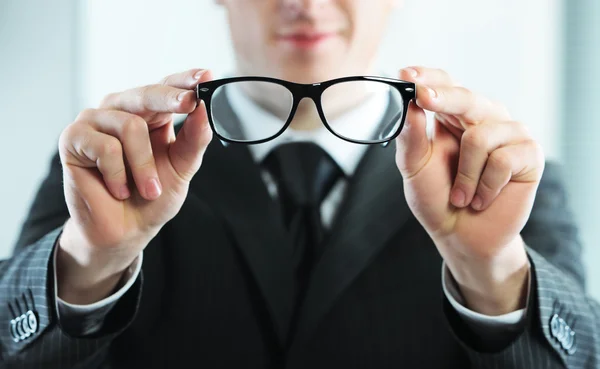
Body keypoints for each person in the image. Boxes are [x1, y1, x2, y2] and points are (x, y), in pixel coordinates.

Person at [1, 0, 599, 367]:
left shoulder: (503, 177)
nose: (304, 2)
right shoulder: (112, 168)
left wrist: (492, 273)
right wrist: (88, 265)